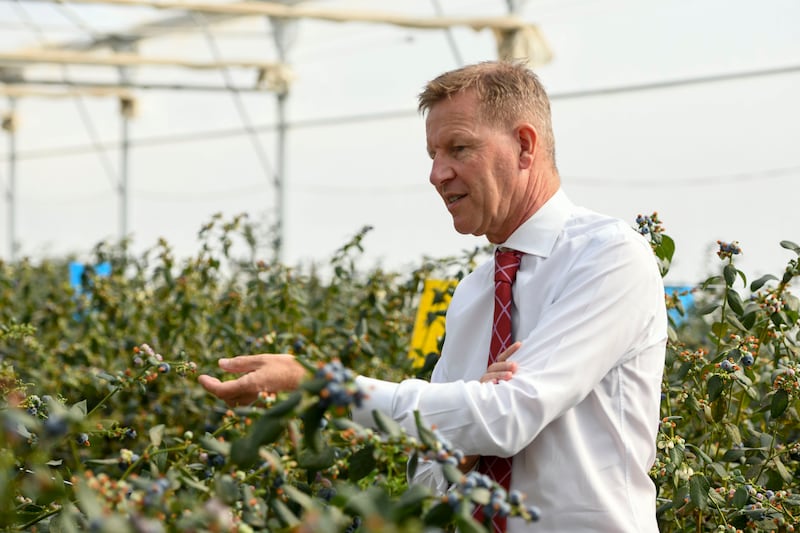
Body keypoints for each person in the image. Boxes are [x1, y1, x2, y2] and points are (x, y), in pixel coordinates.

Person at [199, 60, 667, 533]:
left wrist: (323, 387)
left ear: (524, 146)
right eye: (432, 154)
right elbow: (428, 478)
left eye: (459, 148)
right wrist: (465, 429)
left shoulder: (608, 257)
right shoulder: (474, 294)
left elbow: (508, 418)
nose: (437, 174)